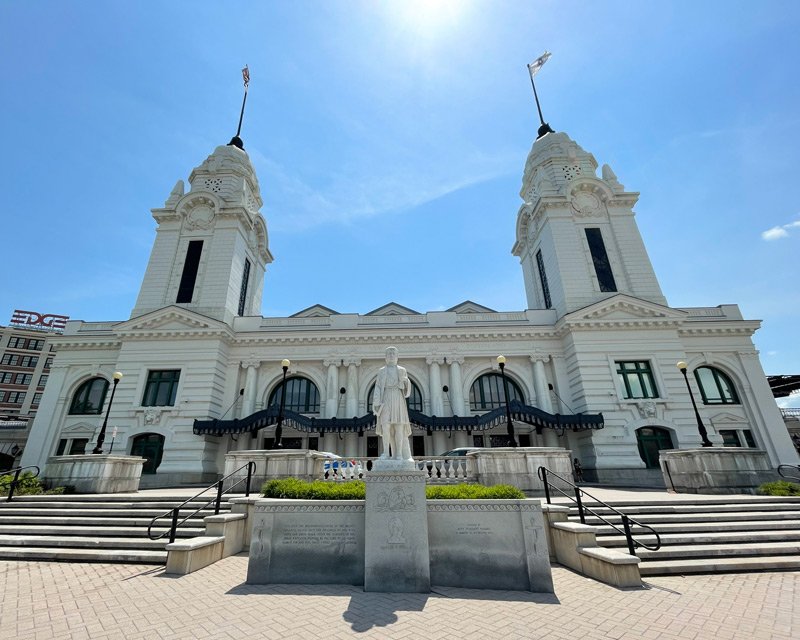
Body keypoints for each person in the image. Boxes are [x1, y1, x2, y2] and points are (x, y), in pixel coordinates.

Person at [372, 346, 413, 461]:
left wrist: (406, 382)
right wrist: (376, 401)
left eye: (393, 353)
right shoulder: (381, 371)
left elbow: (406, 389)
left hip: (398, 397)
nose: (391, 355)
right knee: (386, 426)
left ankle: (399, 454)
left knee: (399, 426)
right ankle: (386, 452)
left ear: (397, 356)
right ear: (385, 357)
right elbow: (378, 386)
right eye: (389, 353)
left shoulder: (402, 370)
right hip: (386, 397)